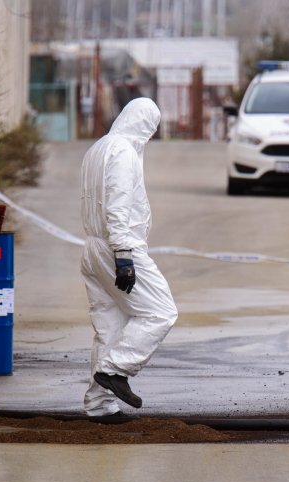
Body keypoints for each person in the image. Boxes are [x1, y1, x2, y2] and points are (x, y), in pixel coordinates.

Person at [79, 97, 178, 416]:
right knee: (161, 312)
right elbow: (117, 204)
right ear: (145, 125)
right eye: (151, 129)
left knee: (109, 327)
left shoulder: (98, 148)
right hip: (117, 247)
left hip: (93, 248)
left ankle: (99, 404)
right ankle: (115, 370)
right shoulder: (122, 152)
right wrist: (123, 254)